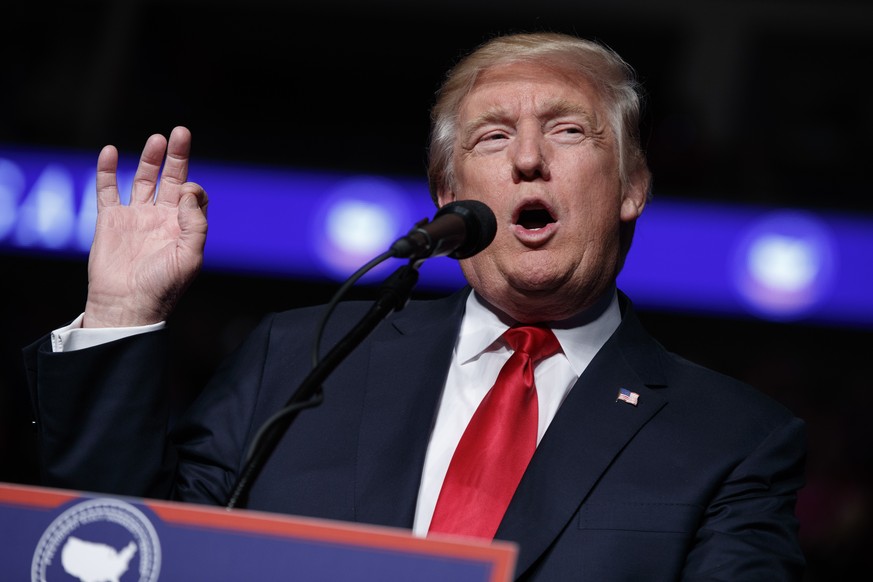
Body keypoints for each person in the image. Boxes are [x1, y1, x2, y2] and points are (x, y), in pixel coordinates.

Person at [23, 31, 807, 580]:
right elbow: (116, 552)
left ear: (632, 187)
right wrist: (121, 310)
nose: (528, 158)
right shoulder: (299, 358)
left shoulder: (733, 440)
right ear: (447, 194)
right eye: (492, 139)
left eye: (567, 131)